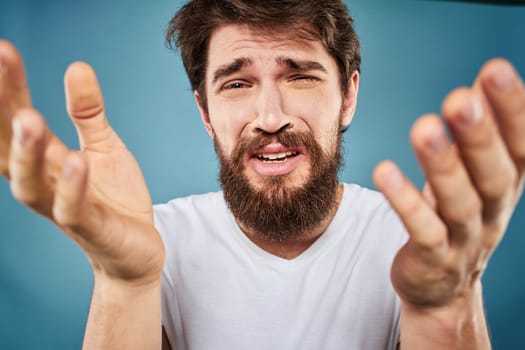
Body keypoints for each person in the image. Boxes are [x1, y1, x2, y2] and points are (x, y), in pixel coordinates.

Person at [0, 0, 523, 349]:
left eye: (300, 76)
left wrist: (448, 298)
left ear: (349, 96)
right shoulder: (155, 242)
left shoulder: (414, 239)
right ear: (205, 112)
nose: (270, 117)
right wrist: (124, 283)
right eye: (236, 84)